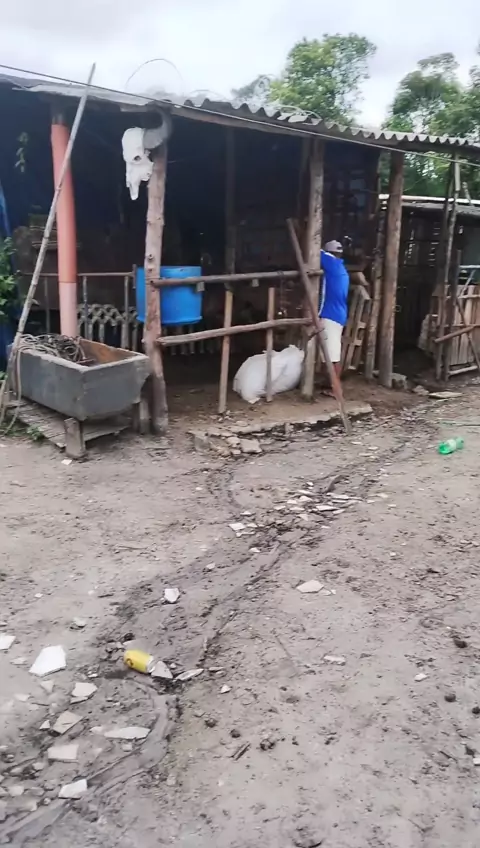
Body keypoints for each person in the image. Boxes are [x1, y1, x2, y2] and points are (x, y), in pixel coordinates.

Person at [319, 239, 349, 391]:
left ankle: (335, 388)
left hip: (330, 314)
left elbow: (315, 251)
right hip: (338, 314)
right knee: (331, 351)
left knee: (332, 355)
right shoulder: (340, 267)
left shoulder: (330, 262)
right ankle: (331, 383)